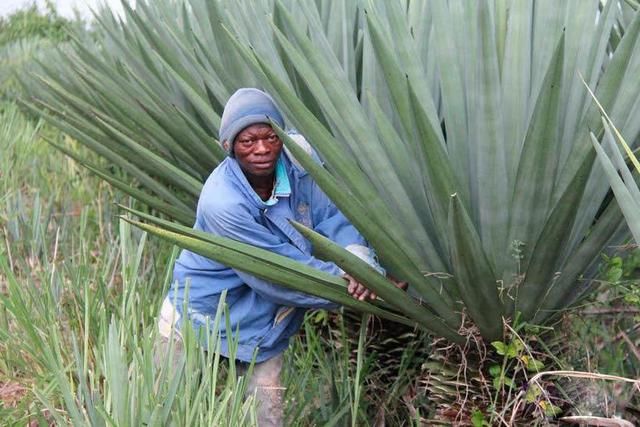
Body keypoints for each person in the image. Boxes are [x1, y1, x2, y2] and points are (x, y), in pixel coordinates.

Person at [156, 88, 400, 426]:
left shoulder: (300, 159)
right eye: (247, 141)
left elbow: (332, 217)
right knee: (169, 411)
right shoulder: (223, 202)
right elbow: (276, 274)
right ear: (228, 146)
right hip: (201, 314)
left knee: (267, 418)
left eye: (271, 137)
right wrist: (358, 285)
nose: (262, 149)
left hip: (263, 326)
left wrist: (362, 265)